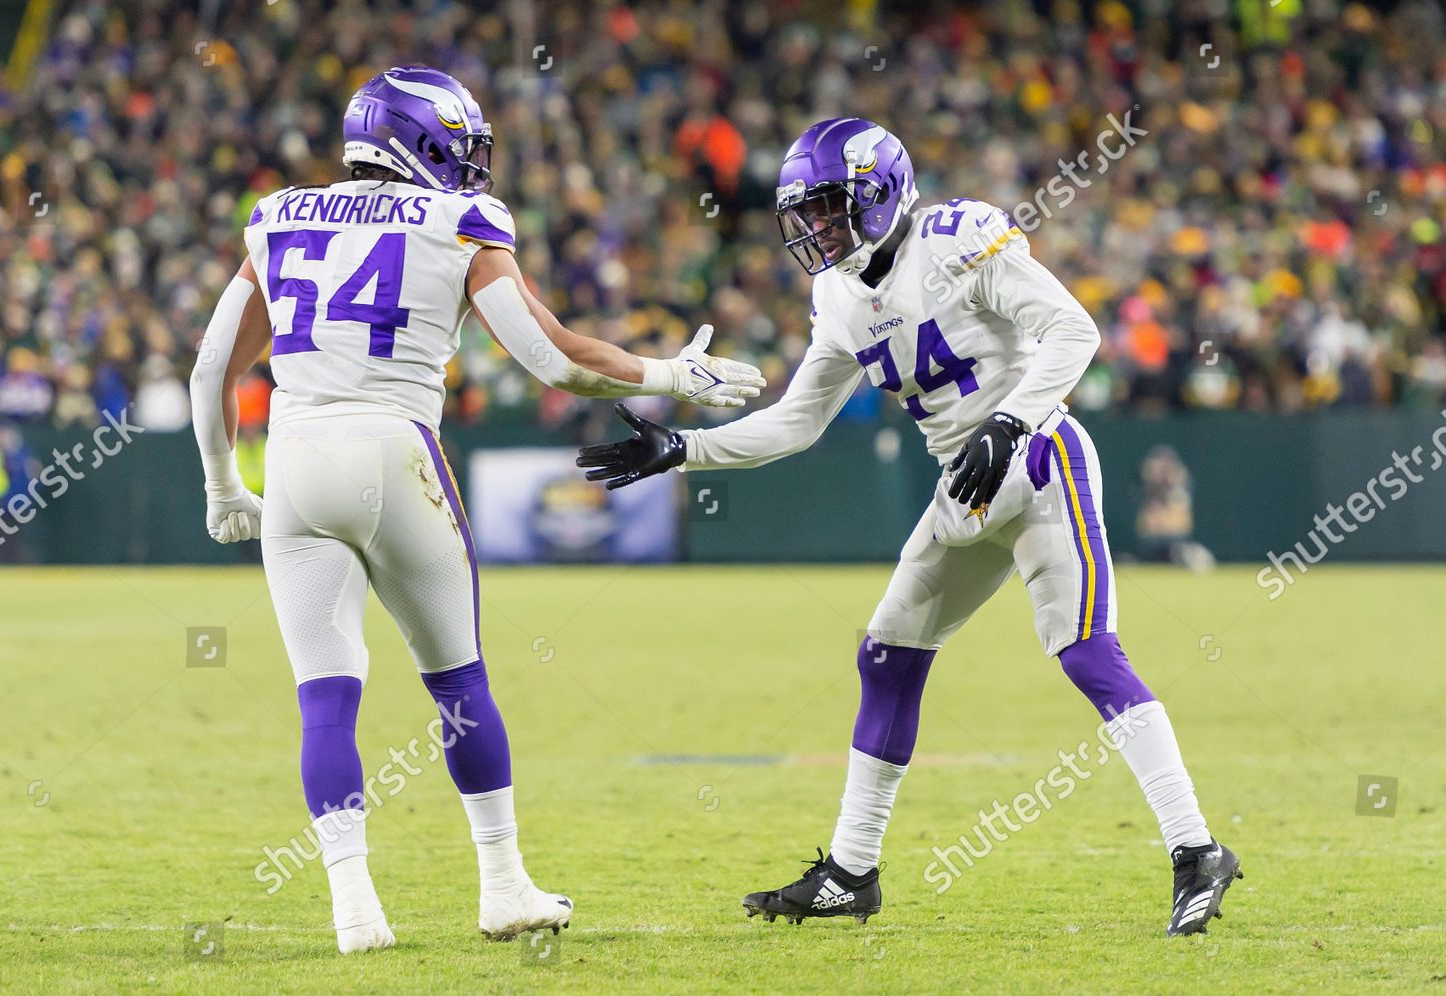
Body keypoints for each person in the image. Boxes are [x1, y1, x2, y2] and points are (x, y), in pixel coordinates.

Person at [577, 118, 1240, 936]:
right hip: (961, 488)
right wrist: (685, 448)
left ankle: (1196, 849)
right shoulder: (838, 295)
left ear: (879, 193)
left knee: (1086, 653)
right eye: (805, 216)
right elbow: (795, 422)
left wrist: (1014, 420)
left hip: (1037, 464)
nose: (815, 231)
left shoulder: (959, 238)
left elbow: (1076, 331)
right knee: (885, 655)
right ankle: (852, 872)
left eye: (828, 209)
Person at [188, 66, 763, 955]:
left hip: (298, 459)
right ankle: (501, 885)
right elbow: (557, 359)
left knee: (325, 699)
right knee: (458, 683)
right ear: (416, 141)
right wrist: (674, 377)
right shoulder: (458, 222)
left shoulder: (279, 216)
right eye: (458, 145)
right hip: (395, 448)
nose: (469, 164)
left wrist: (224, 487)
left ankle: (354, 910)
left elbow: (209, 369)